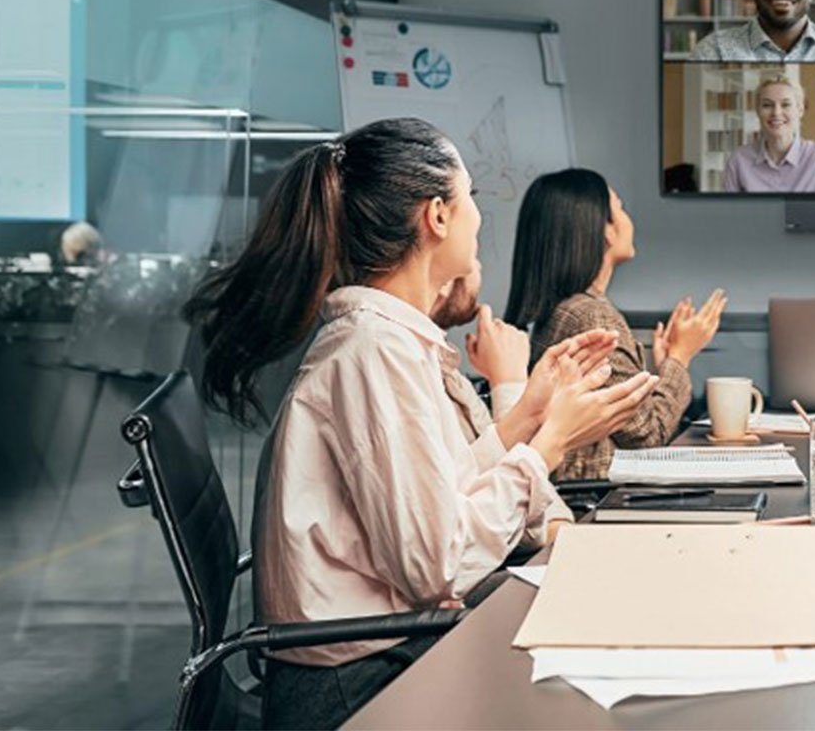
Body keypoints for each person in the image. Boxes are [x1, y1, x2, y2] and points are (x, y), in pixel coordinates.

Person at [184, 119, 660, 728]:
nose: (479, 220)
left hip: (381, 656)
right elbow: (435, 564)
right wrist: (548, 444)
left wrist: (531, 415)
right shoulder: (372, 352)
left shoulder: (387, 343)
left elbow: (438, 496)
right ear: (437, 215)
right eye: (471, 200)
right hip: (353, 688)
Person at [505, 168, 727, 480]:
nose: (627, 219)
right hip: (600, 500)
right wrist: (680, 357)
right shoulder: (592, 317)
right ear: (605, 230)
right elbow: (649, 434)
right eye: (619, 208)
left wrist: (662, 370)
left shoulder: (565, 310)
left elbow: (626, 424)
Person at [722, 74, 815, 193]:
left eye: (785, 105)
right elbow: (728, 214)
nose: (776, 113)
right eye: (767, 105)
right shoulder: (738, 160)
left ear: (800, 110)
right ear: (757, 111)